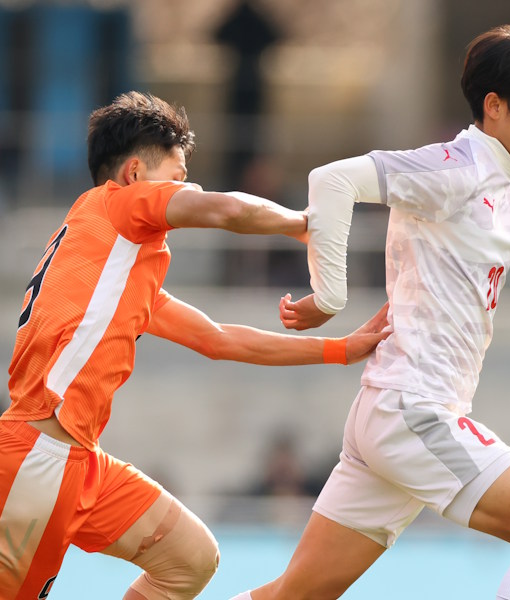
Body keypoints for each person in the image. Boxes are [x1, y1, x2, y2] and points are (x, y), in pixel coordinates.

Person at [230, 24, 510, 600]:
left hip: (395, 411)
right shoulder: (452, 169)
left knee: (292, 597)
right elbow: (331, 180)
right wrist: (329, 296)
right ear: (495, 106)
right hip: (414, 410)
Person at [0, 91, 390, 600]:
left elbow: (219, 339)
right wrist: (305, 225)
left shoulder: (115, 265)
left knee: (190, 559)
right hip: (39, 458)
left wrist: (341, 349)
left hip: (77, 462)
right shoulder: (118, 204)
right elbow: (224, 209)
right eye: (180, 178)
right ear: (135, 174)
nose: (190, 190)